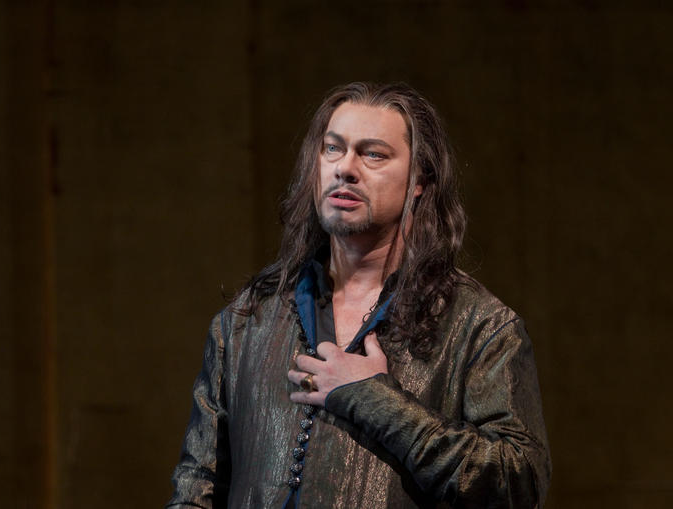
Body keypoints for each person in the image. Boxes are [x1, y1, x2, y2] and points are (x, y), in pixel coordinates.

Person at [166, 82, 551, 508]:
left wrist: (373, 397)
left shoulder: (479, 326)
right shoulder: (247, 320)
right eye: (333, 149)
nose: (344, 168)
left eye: (373, 154)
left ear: (419, 180)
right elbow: (197, 486)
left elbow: (518, 483)